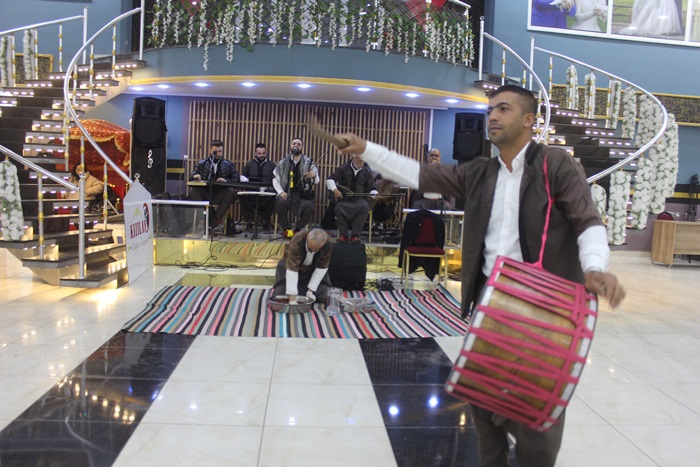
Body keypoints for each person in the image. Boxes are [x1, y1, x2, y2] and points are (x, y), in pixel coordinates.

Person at [332, 84, 626, 467]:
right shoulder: (481, 172)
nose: (492, 117)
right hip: (492, 303)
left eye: (503, 109)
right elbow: (422, 175)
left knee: (535, 426)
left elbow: (587, 220)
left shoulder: (555, 164)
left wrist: (595, 267)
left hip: (542, 308)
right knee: (484, 408)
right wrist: (367, 149)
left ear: (529, 120)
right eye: (490, 111)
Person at [189, 139, 240, 233]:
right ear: (210, 150)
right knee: (194, 191)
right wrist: (195, 177)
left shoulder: (228, 164)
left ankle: (217, 219)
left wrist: (226, 180)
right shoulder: (202, 163)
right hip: (206, 192)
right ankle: (203, 218)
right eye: (216, 151)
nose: (218, 154)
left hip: (221, 193)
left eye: (220, 151)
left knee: (231, 191)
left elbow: (236, 179)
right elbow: (190, 178)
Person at [273, 137, 319, 238]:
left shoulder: (308, 162)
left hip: (302, 196)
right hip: (287, 194)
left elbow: (317, 180)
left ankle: (297, 229)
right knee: (279, 202)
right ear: (290, 146)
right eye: (294, 143)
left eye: (299, 144)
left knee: (309, 206)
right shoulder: (283, 162)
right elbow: (275, 179)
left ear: (302, 147)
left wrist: (314, 175)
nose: (296, 146)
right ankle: (285, 229)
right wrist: (281, 192)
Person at [272, 228, 333, 304]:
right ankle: (296, 293)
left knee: (324, 296)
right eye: (311, 248)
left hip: (311, 271)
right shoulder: (297, 240)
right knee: (281, 296)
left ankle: (303, 293)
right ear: (308, 237)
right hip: (290, 268)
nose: (313, 250)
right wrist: (292, 297)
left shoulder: (328, 243)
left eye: (317, 249)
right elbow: (292, 269)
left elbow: (321, 267)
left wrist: (311, 290)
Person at [326, 153, 377, 243]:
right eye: (359, 160)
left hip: (360, 200)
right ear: (352, 158)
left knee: (365, 207)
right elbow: (330, 179)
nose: (361, 163)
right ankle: (343, 235)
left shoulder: (367, 172)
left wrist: (375, 194)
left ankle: (355, 236)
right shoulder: (343, 168)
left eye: (363, 161)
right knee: (339, 207)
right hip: (344, 199)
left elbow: (372, 188)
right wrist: (335, 190)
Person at [240, 142, 276, 230]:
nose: (261, 155)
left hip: (267, 193)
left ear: (266, 152)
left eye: (263, 153)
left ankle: (265, 220)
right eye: (259, 153)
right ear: (255, 153)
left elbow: (276, 180)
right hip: (251, 193)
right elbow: (243, 177)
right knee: (241, 196)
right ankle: (248, 221)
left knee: (274, 197)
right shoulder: (249, 164)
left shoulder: (272, 165)